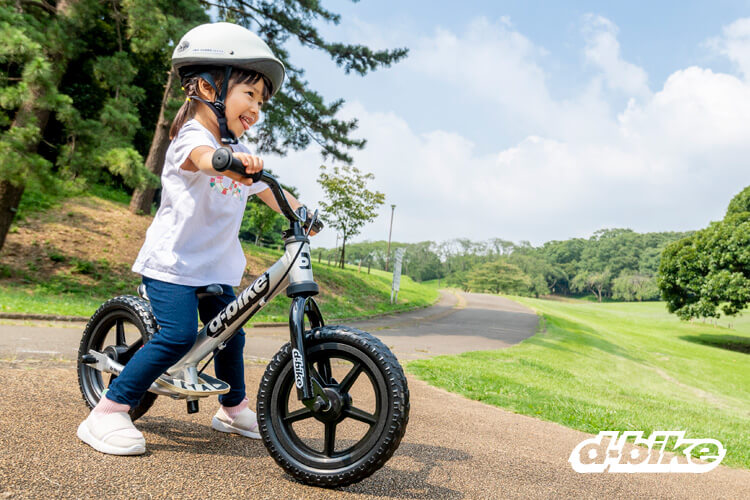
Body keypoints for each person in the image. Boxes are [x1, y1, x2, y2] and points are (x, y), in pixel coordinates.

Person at [77, 22, 306, 456]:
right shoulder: (193, 139)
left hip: (217, 267)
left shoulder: (238, 153)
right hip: (175, 264)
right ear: (206, 87)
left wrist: (303, 213)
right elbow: (203, 160)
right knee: (178, 336)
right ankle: (107, 411)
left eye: (261, 101)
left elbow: (273, 191)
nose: (256, 108)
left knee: (231, 333)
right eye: (250, 95)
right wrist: (227, 160)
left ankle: (232, 407)